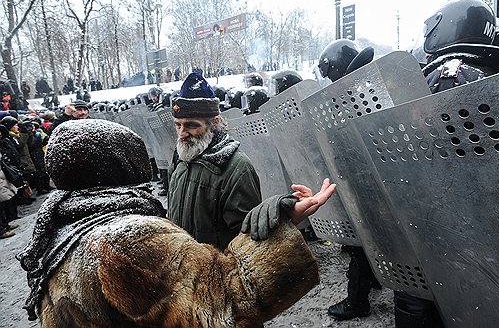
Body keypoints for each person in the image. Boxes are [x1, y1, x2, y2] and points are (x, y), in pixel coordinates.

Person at [17, 118, 336, 327]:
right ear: (121, 165)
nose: (182, 132)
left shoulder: (59, 230)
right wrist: (284, 223)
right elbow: (228, 299)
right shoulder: (129, 238)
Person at [394, 0, 499, 328]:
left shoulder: (436, 78)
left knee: (417, 294)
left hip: (429, 223)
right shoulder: (488, 77)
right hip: (489, 237)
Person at [316, 38, 381, 321]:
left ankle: (357, 301)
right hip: (376, 183)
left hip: (364, 183)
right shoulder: (365, 91)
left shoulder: (350, 99)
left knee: (360, 244)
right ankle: (376, 278)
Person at [167, 72, 262, 251]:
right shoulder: (180, 157)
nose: (182, 133)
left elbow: (247, 239)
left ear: (214, 123)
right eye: (178, 125)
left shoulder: (237, 168)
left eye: (191, 125)